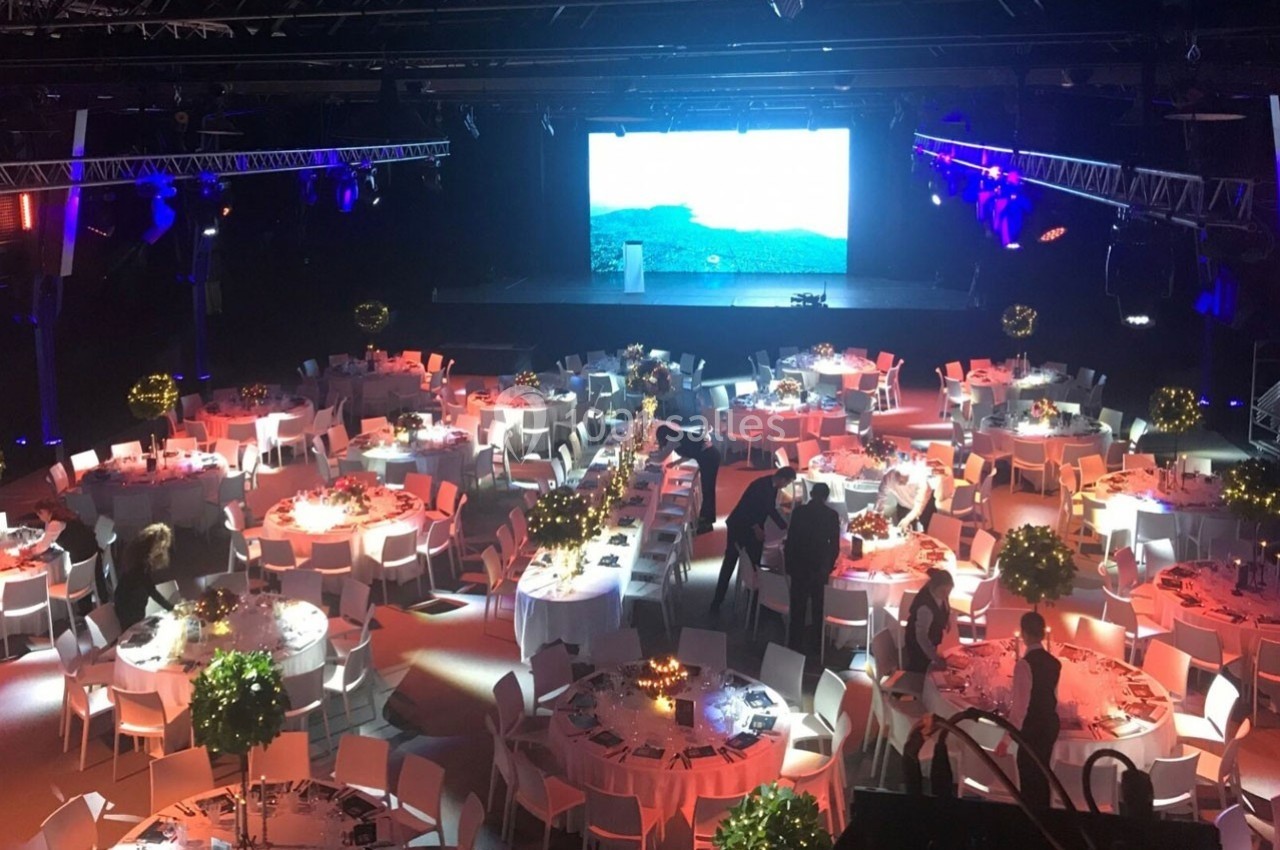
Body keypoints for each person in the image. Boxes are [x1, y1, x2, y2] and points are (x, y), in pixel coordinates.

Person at [997, 611, 1062, 808]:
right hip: (1049, 726)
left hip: (1032, 730)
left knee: (1029, 778)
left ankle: (1031, 814)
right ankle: (1044, 813)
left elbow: (1020, 708)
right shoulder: (1055, 663)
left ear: (1024, 634)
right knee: (1043, 774)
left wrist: (1005, 740)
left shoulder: (1024, 665)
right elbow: (1053, 696)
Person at [710, 466, 796, 614]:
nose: (785, 486)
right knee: (731, 562)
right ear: (782, 479)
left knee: (751, 562)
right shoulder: (761, 487)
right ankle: (720, 601)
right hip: (739, 527)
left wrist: (785, 526)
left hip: (747, 527)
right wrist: (757, 528)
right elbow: (748, 509)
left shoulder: (770, 486)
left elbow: (769, 509)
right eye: (787, 483)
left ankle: (754, 600)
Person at [783, 481, 840, 654]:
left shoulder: (798, 512)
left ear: (812, 494)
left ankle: (794, 644)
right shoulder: (831, 515)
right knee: (818, 607)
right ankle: (816, 645)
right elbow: (834, 545)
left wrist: (789, 564)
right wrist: (828, 566)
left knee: (798, 607)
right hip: (819, 566)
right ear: (826, 497)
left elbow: (791, 539)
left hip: (799, 564)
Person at [654, 419, 721, 534]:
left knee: (708, 490)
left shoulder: (673, 440)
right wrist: (675, 463)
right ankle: (706, 520)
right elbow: (689, 453)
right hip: (710, 456)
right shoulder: (679, 436)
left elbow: (661, 458)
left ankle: (707, 523)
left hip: (709, 458)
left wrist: (649, 460)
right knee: (708, 490)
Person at [114, 523, 176, 629]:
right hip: (129, 607)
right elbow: (151, 590)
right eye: (161, 547)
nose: (161, 550)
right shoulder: (140, 566)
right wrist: (171, 608)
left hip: (126, 601)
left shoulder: (136, 558)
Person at [903, 568, 955, 673]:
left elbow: (945, 603)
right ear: (934, 587)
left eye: (949, 592)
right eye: (944, 591)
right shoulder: (925, 607)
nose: (946, 595)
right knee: (924, 671)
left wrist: (947, 619)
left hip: (931, 638)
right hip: (918, 647)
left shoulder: (940, 594)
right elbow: (921, 637)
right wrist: (935, 657)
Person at [876, 464, 935, 532]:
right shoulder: (889, 477)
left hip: (926, 505)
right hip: (904, 505)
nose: (901, 484)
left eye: (904, 481)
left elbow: (919, 505)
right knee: (903, 531)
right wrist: (879, 514)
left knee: (929, 530)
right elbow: (881, 496)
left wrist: (908, 519)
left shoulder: (920, 480)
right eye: (899, 480)